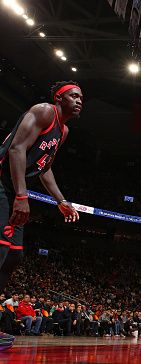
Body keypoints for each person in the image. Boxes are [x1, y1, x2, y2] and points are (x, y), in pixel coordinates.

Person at [0, 81, 82, 295]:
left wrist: (61, 201)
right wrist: (21, 194)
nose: (79, 100)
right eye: (73, 96)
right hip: (2, 182)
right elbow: (17, 149)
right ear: (58, 98)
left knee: (13, 256)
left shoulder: (63, 131)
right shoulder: (44, 111)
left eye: (81, 98)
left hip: (13, 189)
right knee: (1, 248)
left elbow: (45, 168)